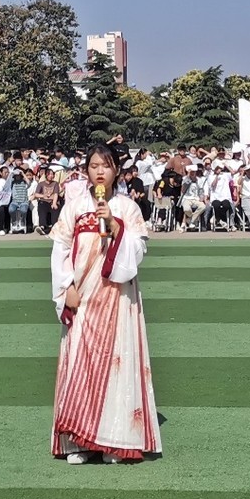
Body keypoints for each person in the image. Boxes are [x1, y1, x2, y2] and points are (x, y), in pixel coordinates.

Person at [49, 144, 161, 464]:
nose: (100, 171)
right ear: (86, 170)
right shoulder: (73, 206)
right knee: (80, 363)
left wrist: (114, 225)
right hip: (83, 296)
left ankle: (114, 440)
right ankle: (79, 443)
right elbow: (60, 248)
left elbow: (138, 250)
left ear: (116, 172)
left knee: (117, 364)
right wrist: (65, 286)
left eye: (106, 166)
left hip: (116, 297)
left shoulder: (127, 207)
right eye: (94, 165)